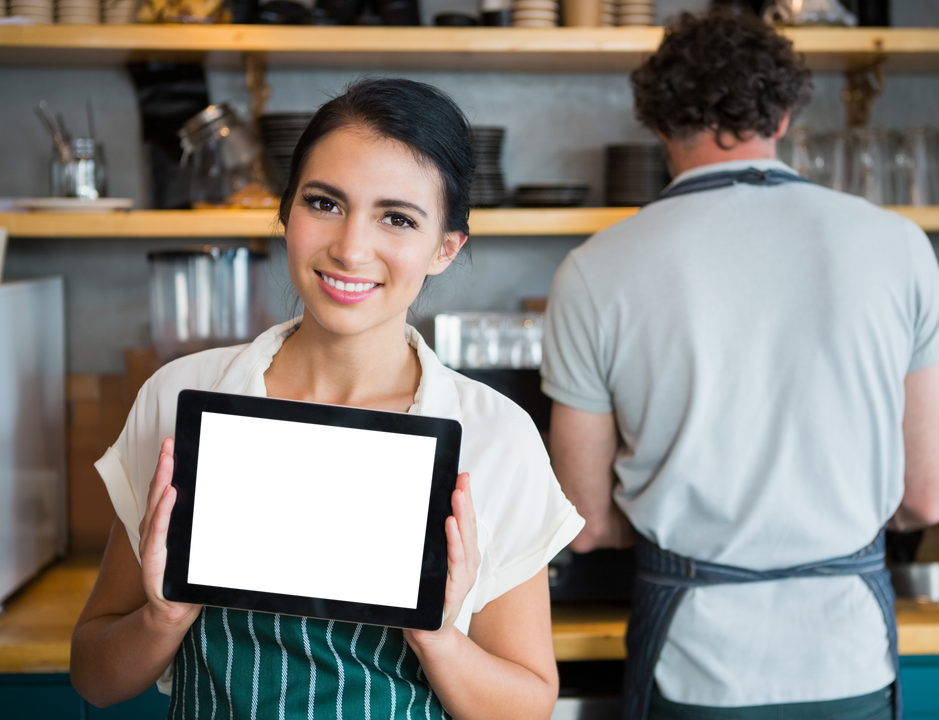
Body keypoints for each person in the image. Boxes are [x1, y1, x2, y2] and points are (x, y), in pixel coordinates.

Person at [70, 78, 584, 719]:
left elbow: (528, 707)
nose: (351, 248)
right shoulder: (180, 396)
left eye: (397, 218)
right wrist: (162, 617)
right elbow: (94, 676)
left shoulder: (494, 436)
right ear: (285, 212)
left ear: (445, 249)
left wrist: (438, 637)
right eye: (325, 203)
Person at [541, 9, 939, 720]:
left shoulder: (595, 269)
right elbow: (926, 498)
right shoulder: (899, 247)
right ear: (786, 113)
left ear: (659, 123)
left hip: (693, 665)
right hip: (845, 656)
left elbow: (581, 519)